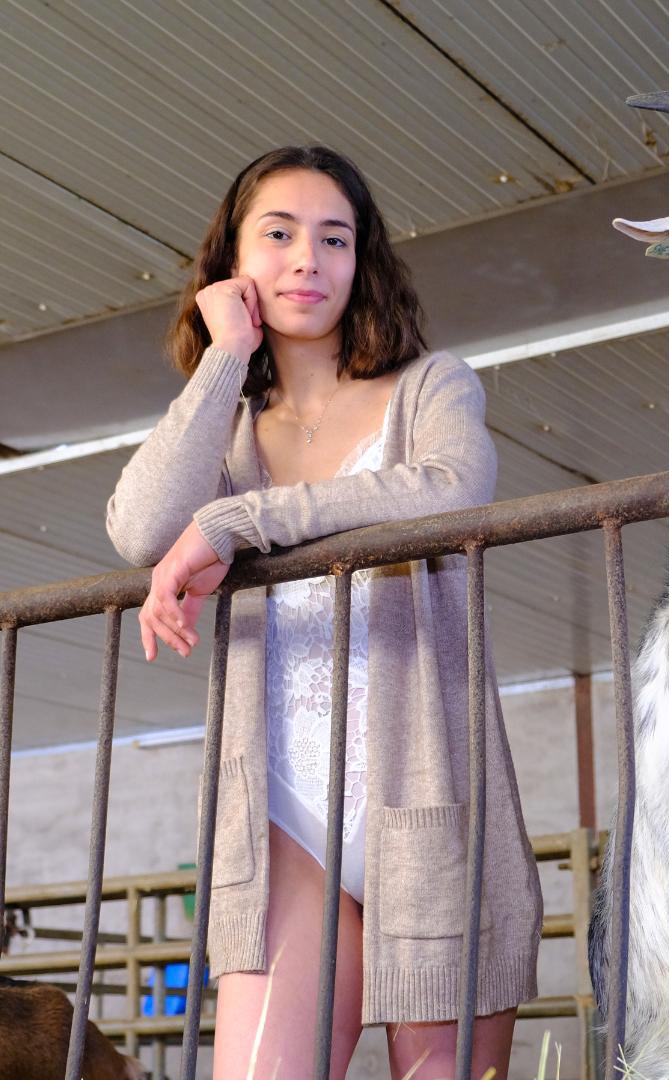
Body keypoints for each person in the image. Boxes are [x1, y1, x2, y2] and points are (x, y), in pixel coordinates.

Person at [106, 146, 542, 1080]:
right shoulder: (227, 433)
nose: (309, 258)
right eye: (279, 233)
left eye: (334, 238)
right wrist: (226, 357)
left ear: (362, 260)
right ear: (234, 261)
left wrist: (238, 522)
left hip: (427, 797)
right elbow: (141, 528)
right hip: (286, 814)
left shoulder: (432, 387)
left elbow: (451, 492)